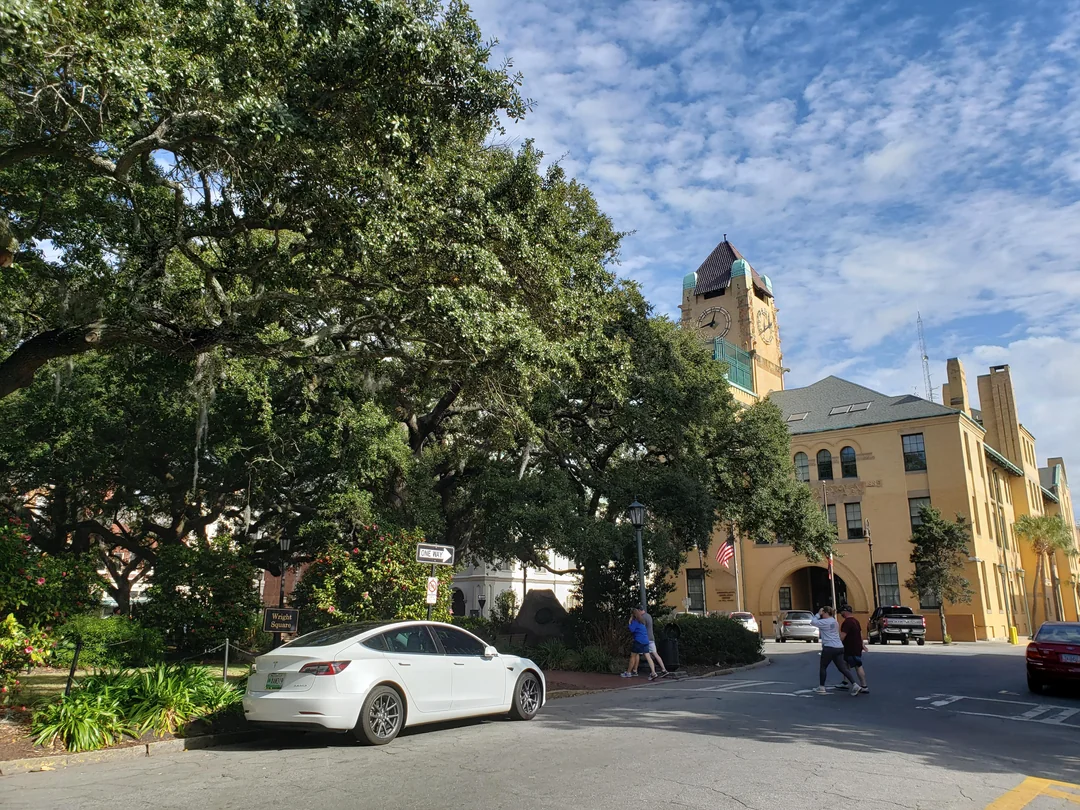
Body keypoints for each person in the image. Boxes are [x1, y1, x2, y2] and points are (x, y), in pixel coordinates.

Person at [809, 606, 861, 695]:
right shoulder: (835, 621)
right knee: (842, 668)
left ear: (825, 612)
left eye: (823, 613)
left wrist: (818, 614)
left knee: (823, 667)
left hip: (829, 647)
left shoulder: (824, 622)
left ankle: (821, 687)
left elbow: (813, 622)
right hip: (839, 647)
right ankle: (855, 684)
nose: (822, 614)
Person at [835, 605, 869, 694]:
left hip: (851, 647)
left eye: (841, 612)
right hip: (855, 646)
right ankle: (845, 682)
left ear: (845, 612)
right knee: (845, 664)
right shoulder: (856, 621)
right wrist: (862, 645)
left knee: (858, 665)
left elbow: (843, 636)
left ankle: (864, 686)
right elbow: (860, 634)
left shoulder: (847, 622)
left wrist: (836, 644)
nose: (841, 614)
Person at [623, 610, 659, 680]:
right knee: (648, 657)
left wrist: (630, 622)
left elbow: (631, 630)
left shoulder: (635, 622)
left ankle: (628, 672)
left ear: (633, 615)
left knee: (633, 656)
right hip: (645, 641)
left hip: (638, 641)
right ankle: (653, 673)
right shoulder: (642, 622)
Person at [639, 608, 670, 678]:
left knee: (647, 656)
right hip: (651, 637)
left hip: (646, 638)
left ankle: (653, 672)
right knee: (655, 654)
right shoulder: (649, 616)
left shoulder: (643, 617)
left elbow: (641, 628)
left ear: (639, 610)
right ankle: (664, 670)